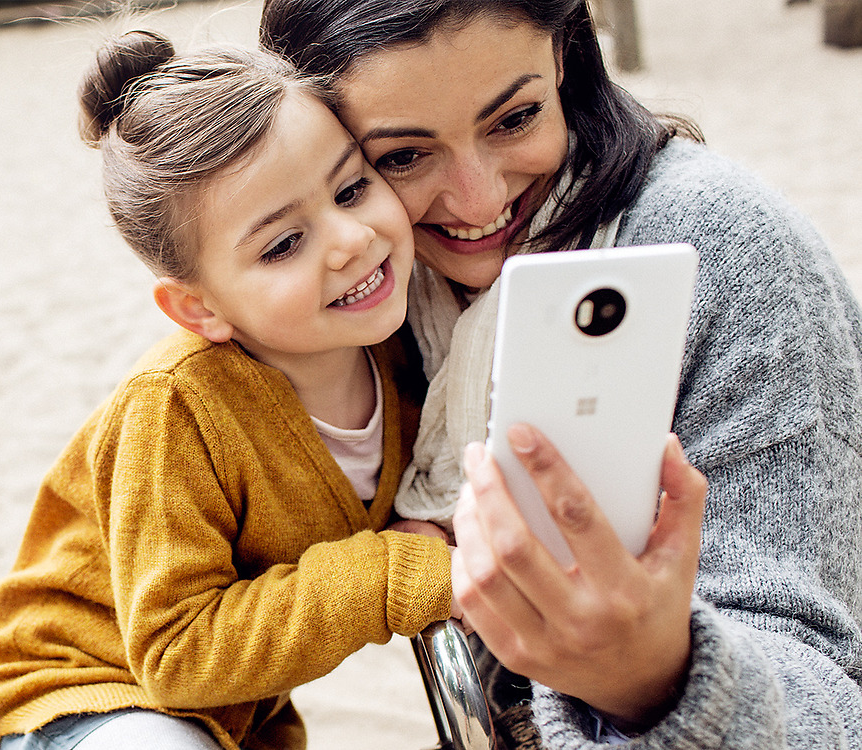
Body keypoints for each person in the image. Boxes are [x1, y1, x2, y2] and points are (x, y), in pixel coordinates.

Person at [260, 1, 862, 747]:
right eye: (403, 157)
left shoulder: (728, 253)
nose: (479, 200)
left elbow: (828, 696)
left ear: (565, 59)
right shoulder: (366, 284)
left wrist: (655, 682)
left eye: (515, 118)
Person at [0, 30, 457, 750]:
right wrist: (390, 574)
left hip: (228, 714)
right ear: (199, 309)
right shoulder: (175, 405)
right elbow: (176, 654)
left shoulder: (408, 349)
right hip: (78, 692)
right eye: (284, 244)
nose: (350, 239)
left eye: (351, 189)